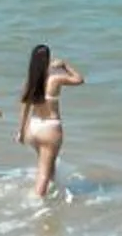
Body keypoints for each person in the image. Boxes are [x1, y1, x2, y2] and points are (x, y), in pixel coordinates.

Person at [16, 44, 85, 199]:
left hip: (33, 128)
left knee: (47, 165)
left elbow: (24, 108)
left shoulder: (29, 82)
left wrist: (21, 131)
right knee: (44, 173)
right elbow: (79, 79)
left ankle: (52, 197)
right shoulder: (55, 79)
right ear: (47, 60)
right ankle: (37, 204)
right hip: (49, 128)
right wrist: (65, 65)